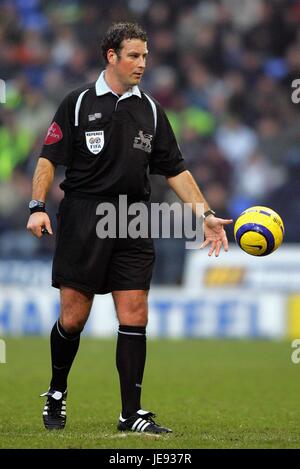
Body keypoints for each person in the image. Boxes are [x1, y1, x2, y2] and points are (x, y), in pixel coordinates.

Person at [26, 22, 232, 434]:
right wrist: (37, 206)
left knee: (135, 312)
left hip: (134, 217)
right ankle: (57, 390)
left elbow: (175, 169)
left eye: (145, 55)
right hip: (85, 215)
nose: (142, 63)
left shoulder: (151, 110)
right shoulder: (78, 102)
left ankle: (131, 413)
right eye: (134, 56)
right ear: (112, 56)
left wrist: (205, 214)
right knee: (73, 318)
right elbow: (50, 158)